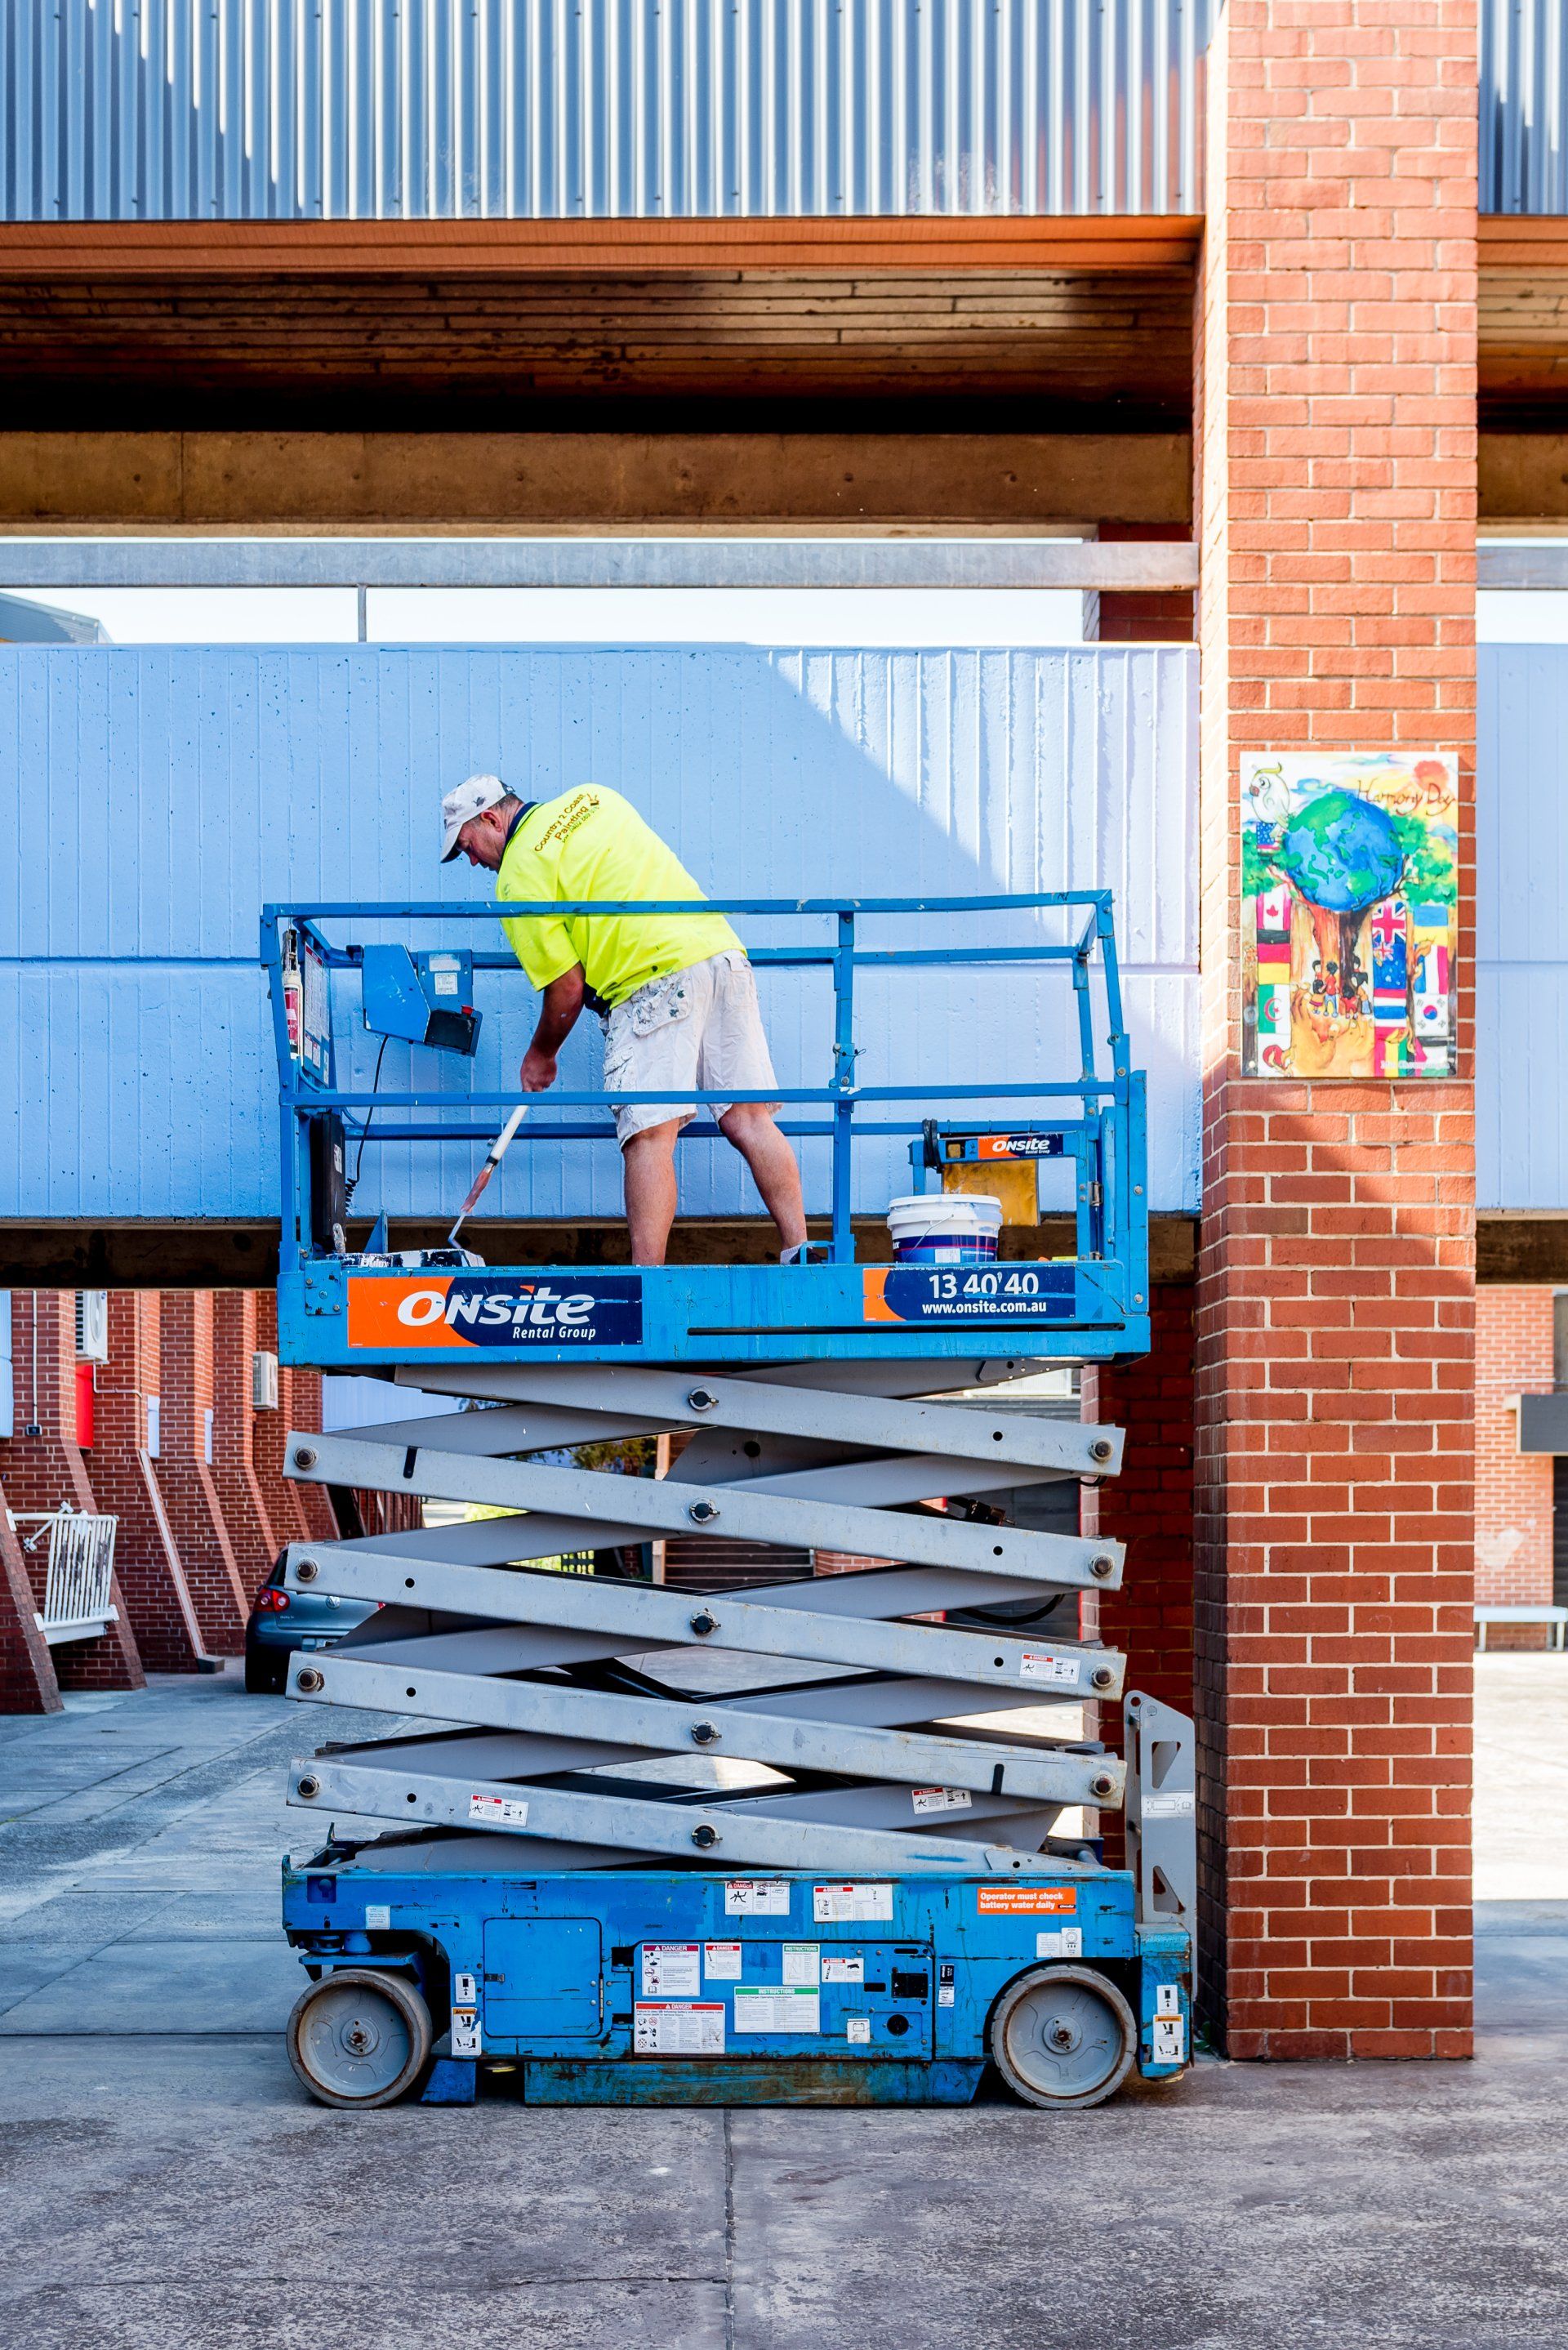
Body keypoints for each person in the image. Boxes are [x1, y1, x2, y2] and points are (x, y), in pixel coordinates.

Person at [441, 772, 808, 1268]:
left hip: (652, 980)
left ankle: (646, 1285)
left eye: (467, 845)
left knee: (650, 1133)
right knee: (748, 1117)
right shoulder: (593, 798)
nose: (471, 859)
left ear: (490, 817)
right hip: (719, 954)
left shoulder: (517, 875)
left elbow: (566, 987)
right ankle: (802, 1253)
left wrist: (541, 1056)